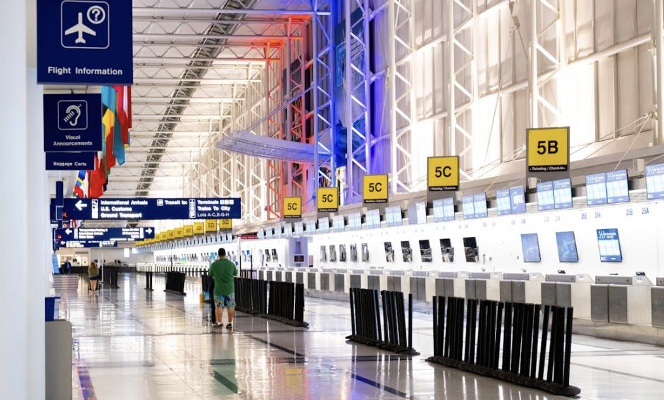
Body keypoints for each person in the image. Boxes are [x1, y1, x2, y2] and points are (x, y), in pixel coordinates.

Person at [208, 248, 238, 330]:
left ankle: (220, 322)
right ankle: (229, 323)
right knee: (231, 305)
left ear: (218, 255)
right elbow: (235, 273)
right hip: (230, 290)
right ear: (225, 254)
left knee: (218, 306)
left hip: (218, 290)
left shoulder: (214, 265)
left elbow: (210, 273)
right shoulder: (231, 264)